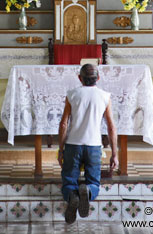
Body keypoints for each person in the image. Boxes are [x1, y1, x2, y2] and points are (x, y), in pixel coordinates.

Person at [58, 64, 118, 224]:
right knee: (94, 182)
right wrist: (114, 154)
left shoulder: (72, 94)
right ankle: (89, 190)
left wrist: (60, 149)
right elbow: (111, 127)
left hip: (73, 144)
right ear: (98, 78)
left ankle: (72, 194)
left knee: (69, 180)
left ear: (80, 78)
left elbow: (64, 124)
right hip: (93, 146)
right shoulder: (105, 96)